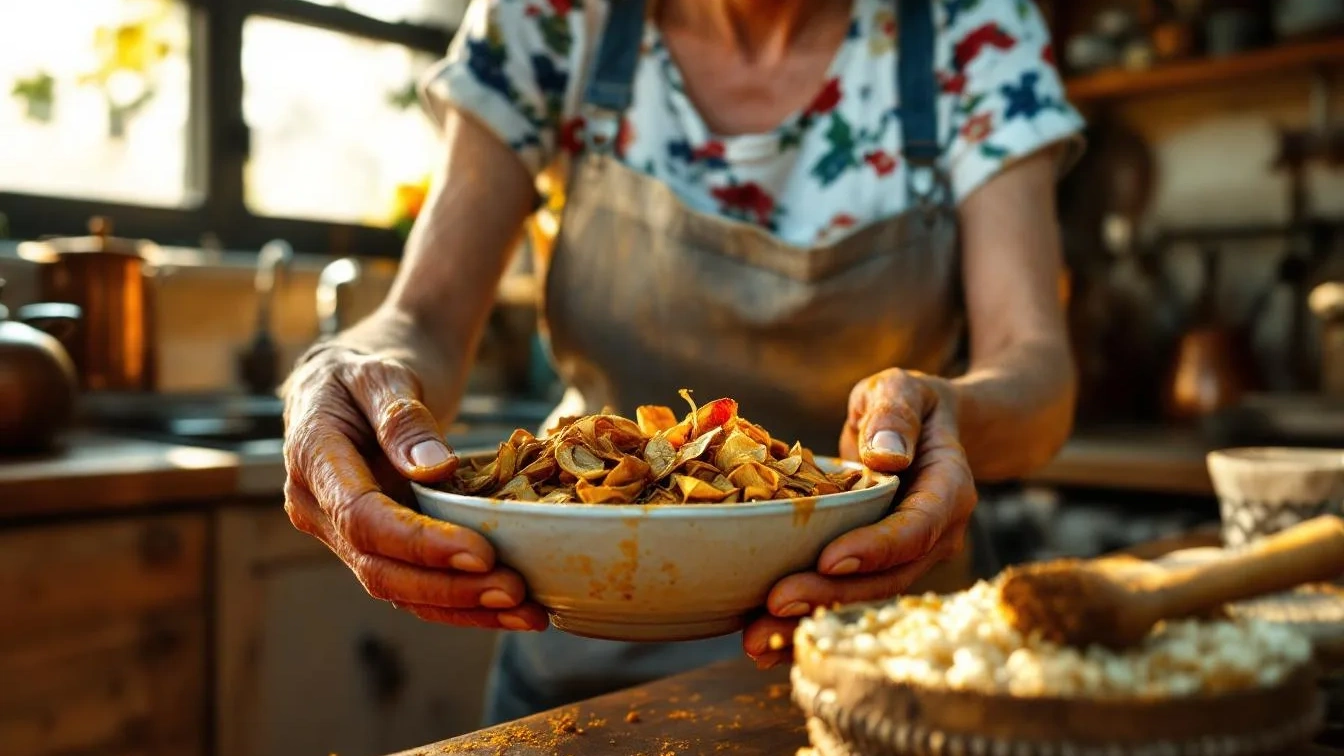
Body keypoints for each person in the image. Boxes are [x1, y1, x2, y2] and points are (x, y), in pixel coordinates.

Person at [281, 0, 1084, 726]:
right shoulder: (552, 17)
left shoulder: (970, 27)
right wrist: (344, 367)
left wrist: (946, 415)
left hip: (885, 651)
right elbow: (422, 319)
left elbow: (1036, 370)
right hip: (584, 651)